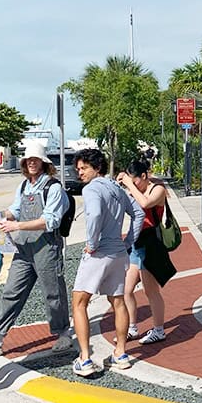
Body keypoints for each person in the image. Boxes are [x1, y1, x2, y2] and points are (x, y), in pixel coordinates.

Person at [0, 142, 72, 356]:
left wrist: (17, 226)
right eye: (28, 160)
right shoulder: (24, 186)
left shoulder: (53, 188)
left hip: (47, 248)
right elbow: (15, 210)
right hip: (25, 248)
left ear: (44, 163)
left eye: (36, 159)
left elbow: (50, 221)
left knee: (53, 293)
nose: (32, 163)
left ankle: (63, 334)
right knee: (11, 291)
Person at [71, 148, 144, 376]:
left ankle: (84, 358)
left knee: (79, 302)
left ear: (97, 167)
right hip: (118, 253)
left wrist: (92, 243)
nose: (79, 172)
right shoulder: (116, 188)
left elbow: (93, 215)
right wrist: (129, 241)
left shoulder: (92, 189)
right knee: (118, 302)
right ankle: (120, 353)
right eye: (78, 169)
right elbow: (138, 213)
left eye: (84, 168)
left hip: (98, 254)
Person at [118, 158, 176, 345]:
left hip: (151, 243)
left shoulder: (157, 189)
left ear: (144, 176)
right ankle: (132, 327)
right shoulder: (135, 189)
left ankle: (159, 330)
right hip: (137, 243)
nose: (133, 185)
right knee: (126, 290)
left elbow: (145, 204)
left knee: (151, 291)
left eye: (135, 181)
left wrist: (129, 185)